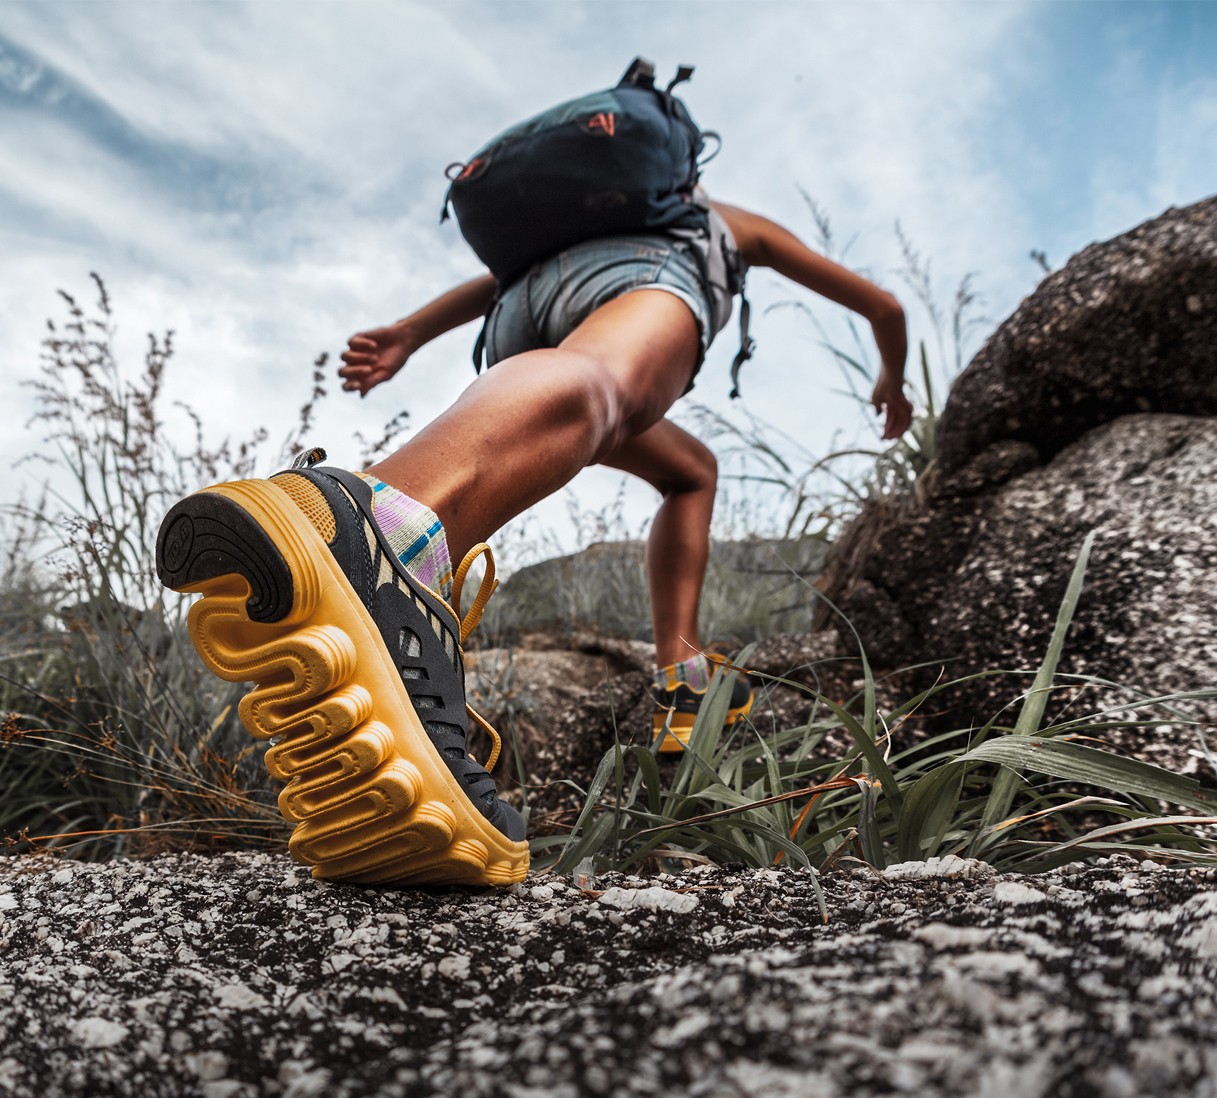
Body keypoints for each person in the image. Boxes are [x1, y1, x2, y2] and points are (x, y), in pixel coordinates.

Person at [156, 119, 908, 893]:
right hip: (641, 283)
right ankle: (376, 522)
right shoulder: (708, 218)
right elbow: (883, 308)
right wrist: (893, 376)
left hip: (520, 317)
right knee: (601, 383)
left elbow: (495, 283)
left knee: (689, 468)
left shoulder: (563, 231)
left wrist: (409, 333)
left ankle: (675, 668)